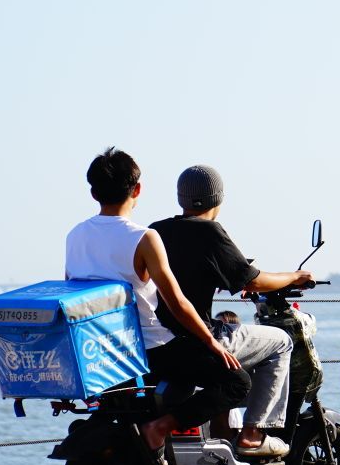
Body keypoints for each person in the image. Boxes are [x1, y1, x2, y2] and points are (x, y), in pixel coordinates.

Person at [65, 148, 242, 449]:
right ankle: (160, 428)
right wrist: (210, 342)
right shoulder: (144, 237)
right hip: (150, 349)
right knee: (237, 382)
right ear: (137, 189)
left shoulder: (75, 235)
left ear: (94, 193)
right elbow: (176, 301)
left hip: (100, 351)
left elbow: (72, 293)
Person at [149, 165, 314, 461]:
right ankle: (253, 434)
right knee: (280, 341)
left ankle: (224, 430)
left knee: (234, 358)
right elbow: (252, 279)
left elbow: (190, 273)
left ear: (180, 198)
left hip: (162, 340)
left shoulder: (158, 229)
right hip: (199, 337)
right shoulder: (210, 230)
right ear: (218, 199)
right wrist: (293, 276)